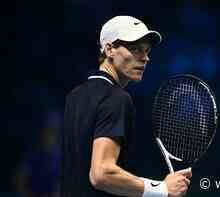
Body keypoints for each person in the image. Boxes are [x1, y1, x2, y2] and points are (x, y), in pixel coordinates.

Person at [60, 15, 192, 197]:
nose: (145, 58)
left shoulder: (74, 96)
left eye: (147, 51)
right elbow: (101, 174)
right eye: (135, 49)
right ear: (109, 49)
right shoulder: (117, 99)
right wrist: (162, 189)